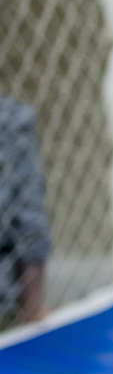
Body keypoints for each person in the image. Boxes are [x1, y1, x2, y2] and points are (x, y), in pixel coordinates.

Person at [0, 95, 52, 329]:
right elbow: (29, 218)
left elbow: (29, 220)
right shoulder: (11, 119)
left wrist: (33, 310)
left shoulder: (11, 120)